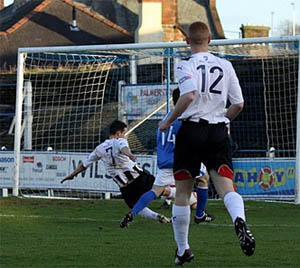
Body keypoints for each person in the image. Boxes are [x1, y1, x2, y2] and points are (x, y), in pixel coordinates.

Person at [158, 21, 255, 265]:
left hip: (191, 130)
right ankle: (238, 220)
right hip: (217, 131)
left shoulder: (184, 65)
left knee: (182, 193)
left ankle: (183, 250)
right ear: (210, 39)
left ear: (187, 42)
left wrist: (169, 120)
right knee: (226, 188)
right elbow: (239, 103)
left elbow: (189, 94)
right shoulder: (225, 65)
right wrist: (224, 120)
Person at [120, 89, 215, 227]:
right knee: (204, 178)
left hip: (165, 161)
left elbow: (161, 141)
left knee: (155, 191)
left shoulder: (165, 119)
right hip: (182, 159)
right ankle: (200, 215)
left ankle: (132, 213)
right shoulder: (185, 118)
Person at [61, 120, 171, 225]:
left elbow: (83, 165)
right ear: (118, 133)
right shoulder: (120, 141)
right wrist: (130, 155)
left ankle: (157, 216)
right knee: (163, 191)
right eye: (124, 133)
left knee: (135, 207)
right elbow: (124, 148)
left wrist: (71, 176)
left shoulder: (99, 149)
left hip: (125, 187)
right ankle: (185, 196)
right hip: (139, 179)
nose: (125, 136)